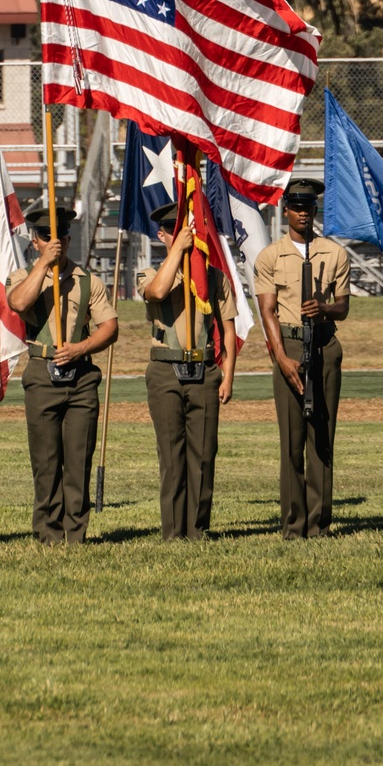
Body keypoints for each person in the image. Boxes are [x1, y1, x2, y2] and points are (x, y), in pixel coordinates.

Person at [7, 201, 117, 544]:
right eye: (46, 236)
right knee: (46, 461)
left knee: (78, 458)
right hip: (42, 373)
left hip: (81, 376)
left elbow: (109, 326)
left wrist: (82, 348)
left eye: (62, 235)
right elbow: (19, 303)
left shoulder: (87, 281)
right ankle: (47, 532)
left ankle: (75, 533)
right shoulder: (24, 276)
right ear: (35, 240)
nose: (57, 241)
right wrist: (44, 263)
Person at [254, 178, 350, 539]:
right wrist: (281, 358)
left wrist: (325, 308)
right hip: (289, 347)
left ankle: (318, 524)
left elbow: (343, 306)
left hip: (325, 346)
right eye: (296, 206)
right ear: (286, 210)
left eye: (308, 207)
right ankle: (294, 525)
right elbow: (267, 312)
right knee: (292, 439)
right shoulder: (270, 256)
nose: (303, 213)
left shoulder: (334, 253)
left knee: (322, 437)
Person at [136, 201, 236, 541]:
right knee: (172, 454)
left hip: (204, 369)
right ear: (161, 234)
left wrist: (229, 375)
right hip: (166, 370)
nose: (183, 236)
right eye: (172, 231)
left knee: (204, 454)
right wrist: (177, 251)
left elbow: (229, 328)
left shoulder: (211, 275)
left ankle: (197, 529)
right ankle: (173, 531)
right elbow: (158, 291)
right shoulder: (150, 272)